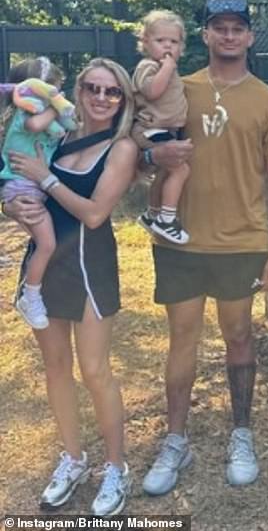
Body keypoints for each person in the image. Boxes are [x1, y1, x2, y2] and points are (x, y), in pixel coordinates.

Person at [142, 0, 268, 495]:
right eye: (218, 27)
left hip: (242, 241)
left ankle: (242, 434)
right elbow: (141, 152)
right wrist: (154, 157)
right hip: (180, 241)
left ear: (250, 36)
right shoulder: (177, 91)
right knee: (181, 339)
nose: (229, 35)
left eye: (237, 28)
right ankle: (175, 440)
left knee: (239, 337)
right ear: (204, 35)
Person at [4, 58, 138, 516]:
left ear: (123, 99)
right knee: (56, 368)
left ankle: (116, 468)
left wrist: (46, 176)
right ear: (78, 92)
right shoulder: (57, 135)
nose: (102, 98)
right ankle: (74, 458)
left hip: (89, 265)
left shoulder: (122, 149)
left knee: (96, 370)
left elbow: (95, 213)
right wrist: (15, 209)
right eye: (93, 89)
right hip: (45, 264)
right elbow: (23, 189)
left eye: (112, 92)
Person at [0, 58, 78, 329]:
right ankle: (29, 295)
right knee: (46, 244)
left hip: (34, 188)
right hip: (23, 188)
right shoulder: (26, 116)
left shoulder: (46, 119)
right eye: (48, 91)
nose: (54, 97)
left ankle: (32, 292)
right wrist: (57, 105)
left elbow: (68, 128)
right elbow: (37, 126)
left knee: (46, 244)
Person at [131, 10, 190, 245]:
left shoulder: (165, 67)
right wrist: (167, 68)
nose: (168, 46)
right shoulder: (148, 66)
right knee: (181, 169)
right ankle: (166, 219)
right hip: (150, 129)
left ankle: (151, 214)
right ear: (146, 42)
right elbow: (152, 91)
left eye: (173, 42)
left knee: (167, 171)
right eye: (160, 40)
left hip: (165, 130)